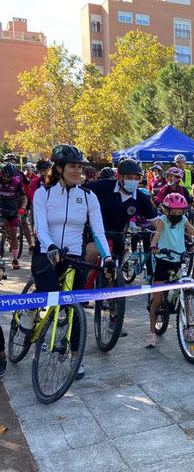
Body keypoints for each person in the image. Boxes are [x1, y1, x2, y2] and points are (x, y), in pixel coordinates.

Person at [32, 144, 115, 380]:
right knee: (44, 294)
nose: (78, 170)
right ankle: (28, 317)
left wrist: (107, 257)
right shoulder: (43, 193)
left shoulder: (88, 197)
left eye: (80, 166)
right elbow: (41, 226)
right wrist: (49, 247)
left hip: (74, 256)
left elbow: (98, 231)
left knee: (75, 309)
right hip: (47, 250)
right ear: (59, 168)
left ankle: (75, 356)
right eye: (72, 166)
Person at [145, 192, 194, 348]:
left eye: (180, 213)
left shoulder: (184, 220)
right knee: (157, 298)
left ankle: (188, 328)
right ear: (166, 211)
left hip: (179, 260)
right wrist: (154, 246)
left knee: (187, 294)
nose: (177, 216)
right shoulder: (162, 221)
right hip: (163, 261)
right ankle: (152, 332)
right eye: (173, 213)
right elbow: (158, 233)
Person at [83, 158, 159, 263]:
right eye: (129, 177)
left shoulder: (142, 198)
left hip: (118, 234)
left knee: (117, 263)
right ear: (119, 177)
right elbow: (79, 191)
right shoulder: (103, 186)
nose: (133, 181)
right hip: (94, 232)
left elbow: (157, 223)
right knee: (92, 252)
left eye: (136, 178)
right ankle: (84, 277)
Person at [0, 163, 27, 269]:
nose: (6, 179)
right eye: (4, 176)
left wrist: (23, 208)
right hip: (1, 208)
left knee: (13, 235)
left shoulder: (17, 183)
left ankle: (15, 260)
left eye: (9, 177)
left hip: (12, 210)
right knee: (4, 227)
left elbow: (24, 198)